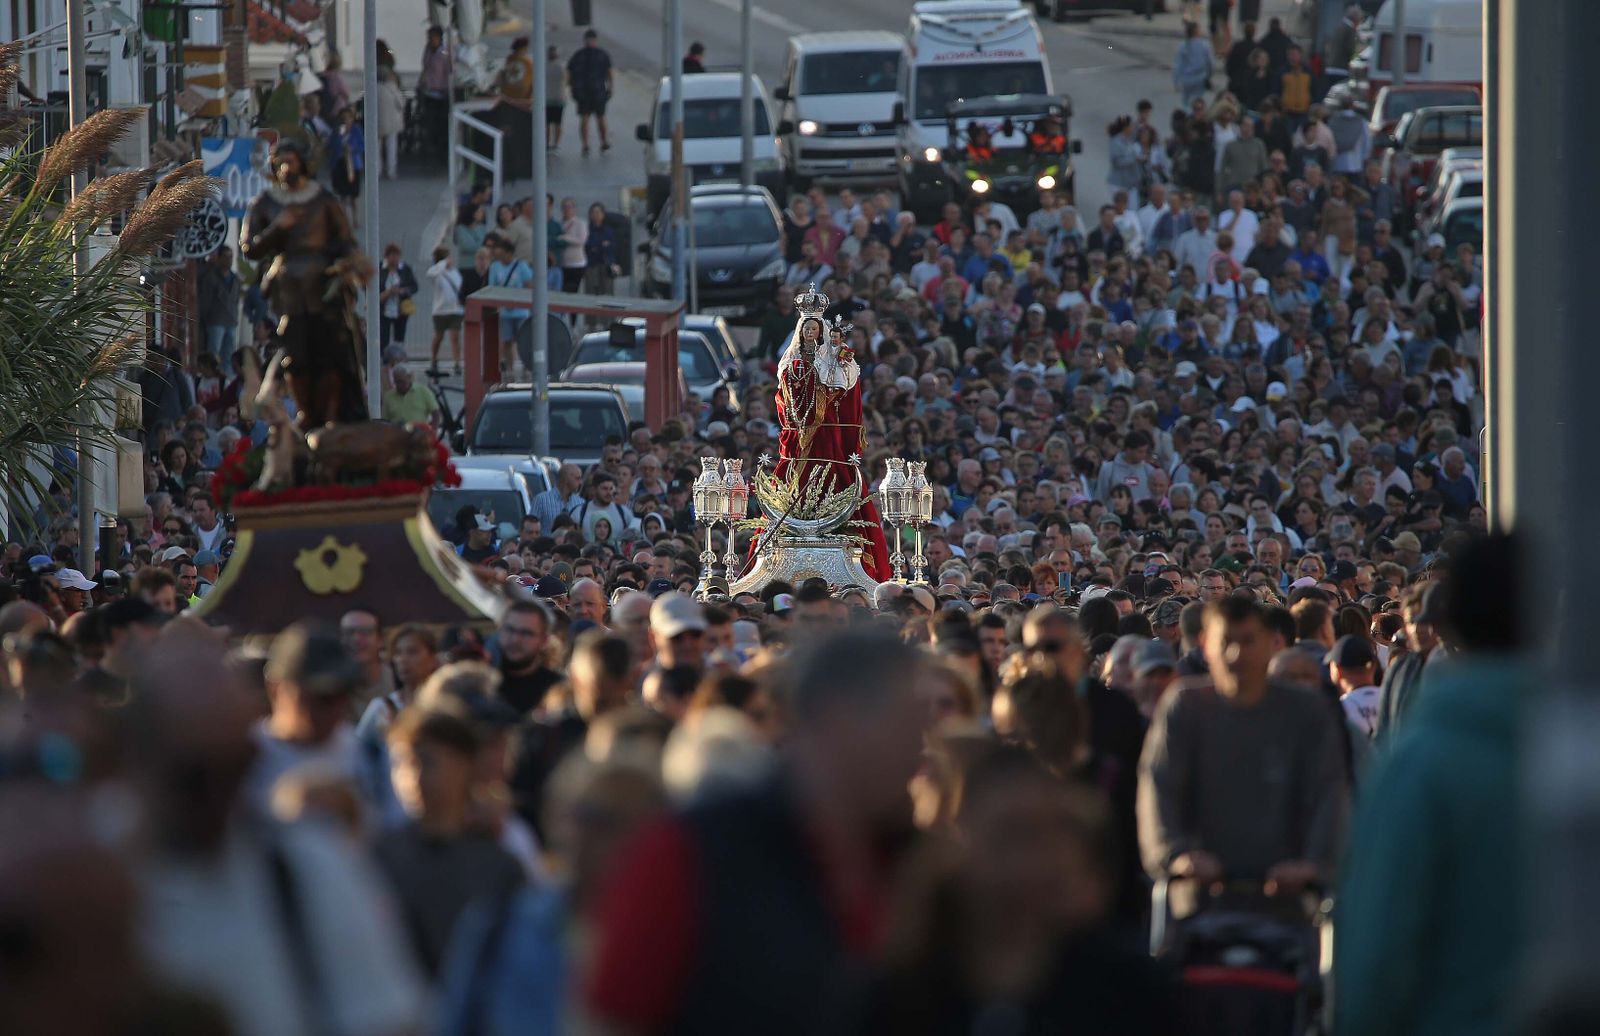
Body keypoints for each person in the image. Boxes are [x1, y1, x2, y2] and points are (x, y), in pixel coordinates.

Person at [580, 632, 932, 1035]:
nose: (919, 748)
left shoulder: (918, 865)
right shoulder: (689, 852)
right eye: (907, 724)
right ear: (838, 718)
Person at [1137, 596, 1348, 886]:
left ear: (1271, 643)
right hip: (1199, 886)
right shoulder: (1184, 707)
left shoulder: (1306, 710)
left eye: (1248, 641)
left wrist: (1314, 863)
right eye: (1226, 642)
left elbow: (1328, 792)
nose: (1237, 654)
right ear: (1205, 644)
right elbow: (1159, 788)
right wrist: (1174, 855)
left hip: (1291, 889)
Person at [375, 706, 525, 977]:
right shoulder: (380, 855)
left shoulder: (500, 862)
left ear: (466, 764)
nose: (413, 778)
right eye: (402, 764)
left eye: (427, 762)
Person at [241, 138, 367, 427]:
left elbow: (346, 241)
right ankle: (306, 413)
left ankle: (332, 414)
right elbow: (249, 248)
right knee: (296, 356)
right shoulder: (266, 202)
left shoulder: (322, 200)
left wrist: (349, 264)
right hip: (289, 289)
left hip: (323, 287)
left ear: (303, 163)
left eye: (291, 161)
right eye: (280, 162)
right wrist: (277, 228)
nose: (286, 167)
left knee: (331, 354)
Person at [770, 290, 892, 581]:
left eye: (815, 328)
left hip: (830, 441)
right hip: (802, 442)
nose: (811, 333)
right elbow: (786, 398)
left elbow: (846, 393)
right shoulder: (793, 364)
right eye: (806, 329)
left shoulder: (837, 360)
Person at [495, 600, 562, 715]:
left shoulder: (558, 690)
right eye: (510, 630)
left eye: (526, 633)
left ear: (544, 640)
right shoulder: (481, 686)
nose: (515, 639)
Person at [566, 29, 614, 156]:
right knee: (597, 117)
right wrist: (610, 87)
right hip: (596, 91)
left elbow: (569, 73)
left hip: (585, 91)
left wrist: (571, 87)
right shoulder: (601, 54)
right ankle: (599, 142)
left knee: (588, 118)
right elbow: (609, 73)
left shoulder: (579, 55)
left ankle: (588, 144)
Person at [195, 246, 241, 371]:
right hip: (215, 321)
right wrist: (204, 316)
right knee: (213, 355)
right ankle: (212, 376)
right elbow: (205, 299)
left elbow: (236, 299)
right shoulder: (211, 277)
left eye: (231, 257)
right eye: (225, 257)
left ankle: (226, 381)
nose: (229, 260)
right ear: (219, 258)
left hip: (231, 321)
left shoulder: (235, 278)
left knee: (229, 355)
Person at [328, 104, 364, 224]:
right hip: (340, 164)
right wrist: (341, 147)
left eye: (348, 117)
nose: (346, 120)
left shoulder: (356, 130)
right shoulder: (338, 130)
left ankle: (355, 218)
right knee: (343, 194)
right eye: (343, 118)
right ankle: (344, 218)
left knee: (354, 195)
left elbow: (362, 146)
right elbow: (333, 145)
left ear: (352, 118)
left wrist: (352, 149)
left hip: (353, 165)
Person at [375, 65, 407, 178]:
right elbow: (402, 103)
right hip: (392, 121)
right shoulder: (392, 87)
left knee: (376, 147)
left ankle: (377, 170)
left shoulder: (373, 88)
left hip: (377, 121)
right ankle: (391, 170)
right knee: (391, 146)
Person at [1172, 22, 1214, 107]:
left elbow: (1178, 65)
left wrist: (1176, 81)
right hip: (1200, 77)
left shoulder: (1183, 46)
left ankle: (1187, 114)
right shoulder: (1204, 45)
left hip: (1186, 78)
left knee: (1185, 101)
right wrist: (1209, 75)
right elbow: (1210, 63)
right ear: (1197, 32)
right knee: (1198, 101)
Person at [582, 202, 619, 295]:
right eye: (593, 212)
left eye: (598, 212)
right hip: (591, 265)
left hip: (606, 264)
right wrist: (601, 245)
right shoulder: (586, 229)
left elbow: (612, 246)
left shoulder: (609, 230)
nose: (596, 215)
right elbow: (588, 245)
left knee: (607, 293)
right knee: (590, 292)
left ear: (603, 214)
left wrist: (598, 247)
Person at [557, 196, 588, 292]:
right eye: (564, 207)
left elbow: (582, 240)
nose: (567, 210)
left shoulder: (580, 223)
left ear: (574, 209)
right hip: (562, 263)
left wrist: (566, 238)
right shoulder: (559, 223)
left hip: (576, 263)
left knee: (573, 289)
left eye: (569, 207)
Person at [544, 44, 566, 150]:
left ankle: (549, 144)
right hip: (557, 98)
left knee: (549, 123)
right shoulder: (561, 66)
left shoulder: (544, 66)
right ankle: (555, 144)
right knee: (556, 123)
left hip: (551, 98)